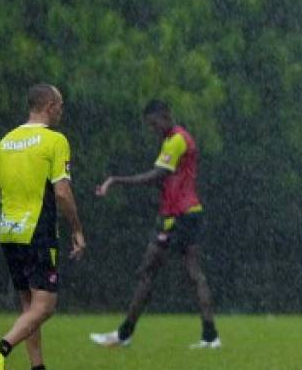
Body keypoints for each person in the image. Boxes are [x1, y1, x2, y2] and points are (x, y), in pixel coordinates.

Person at [0, 84, 86, 370]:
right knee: (45, 306)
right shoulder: (54, 140)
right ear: (49, 106)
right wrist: (76, 229)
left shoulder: (6, 141)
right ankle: (0, 349)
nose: (62, 110)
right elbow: (62, 192)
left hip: (8, 232)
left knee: (29, 306)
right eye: (60, 104)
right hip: (38, 231)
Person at [89, 100, 220, 349]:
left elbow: (157, 174)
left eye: (154, 124)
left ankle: (123, 335)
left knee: (148, 272)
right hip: (189, 212)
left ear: (164, 117)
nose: (153, 129)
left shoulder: (177, 140)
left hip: (178, 215)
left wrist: (116, 180)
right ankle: (211, 336)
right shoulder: (176, 139)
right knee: (193, 274)